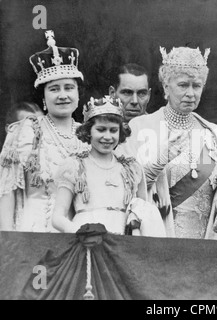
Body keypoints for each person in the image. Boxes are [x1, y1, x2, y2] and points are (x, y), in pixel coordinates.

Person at [117, 46, 217, 239]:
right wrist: (158, 165)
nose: (190, 93)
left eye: (196, 86)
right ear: (165, 87)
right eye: (183, 85)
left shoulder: (216, 132)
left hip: (207, 243)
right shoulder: (139, 127)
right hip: (157, 238)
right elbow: (123, 185)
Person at [0, 30, 90, 232]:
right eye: (54, 89)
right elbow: (6, 192)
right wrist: (7, 242)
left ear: (78, 93)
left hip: (76, 234)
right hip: (32, 231)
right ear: (43, 97)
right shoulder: (25, 131)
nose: (63, 95)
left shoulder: (88, 135)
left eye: (69, 87)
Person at [52, 96, 165, 236]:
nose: (107, 136)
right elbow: (57, 218)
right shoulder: (74, 166)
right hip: (86, 241)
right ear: (88, 131)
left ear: (120, 132)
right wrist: (81, 232)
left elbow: (141, 212)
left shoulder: (131, 168)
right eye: (101, 129)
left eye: (113, 130)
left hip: (123, 243)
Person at [108, 63, 151, 127]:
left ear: (149, 95)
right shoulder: (99, 127)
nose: (135, 101)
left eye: (141, 93)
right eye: (127, 93)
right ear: (112, 93)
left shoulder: (159, 129)